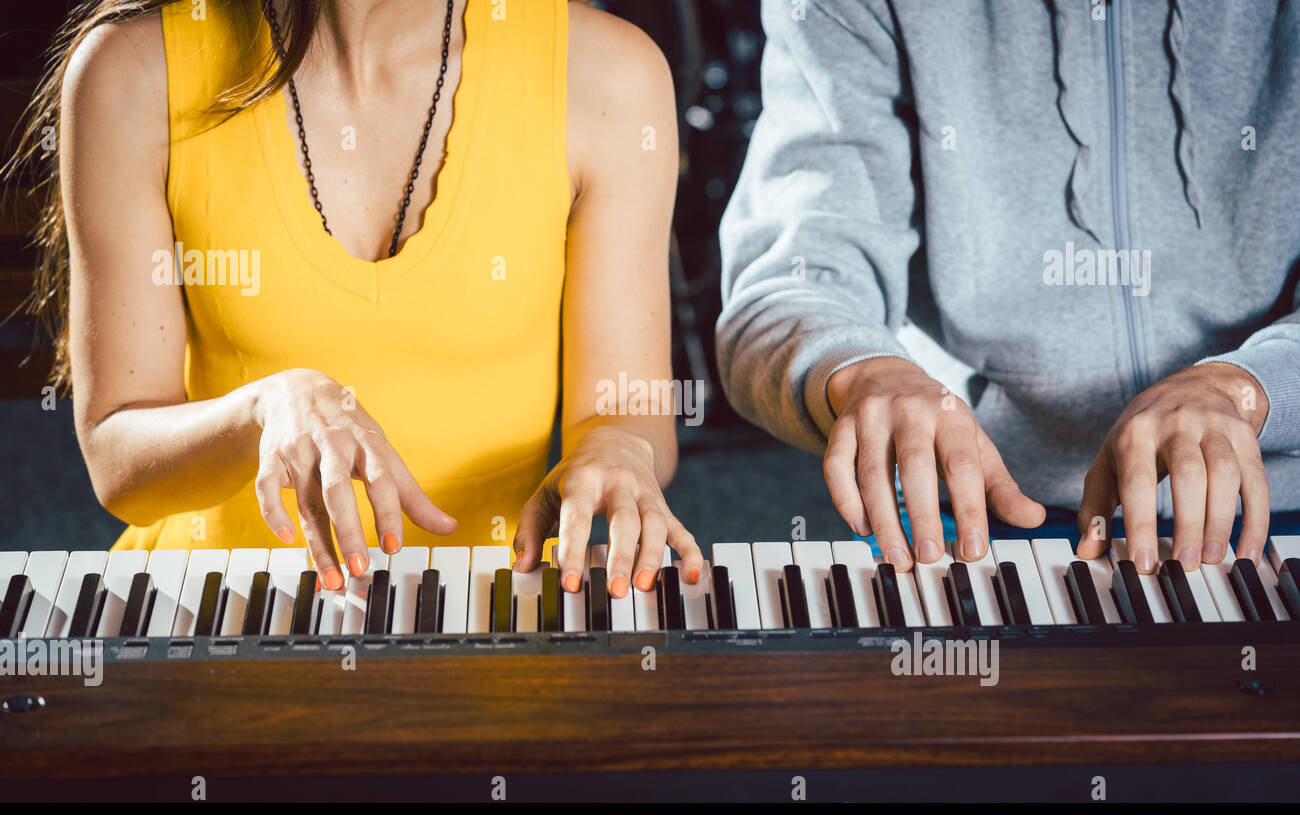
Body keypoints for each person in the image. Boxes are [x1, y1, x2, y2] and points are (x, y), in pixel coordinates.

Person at [8, 0, 703, 596]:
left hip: (486, 612)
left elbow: (625, 415)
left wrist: (617, 453)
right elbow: (119, 463)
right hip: (209, 609)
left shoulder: (612, 75)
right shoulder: (130, 69)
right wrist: (262, 409)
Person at [719, 0, 1300, 575]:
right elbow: (792, 278)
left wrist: (1248, 387)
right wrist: (863, 370)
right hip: (975, 514)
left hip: (1279, 506)